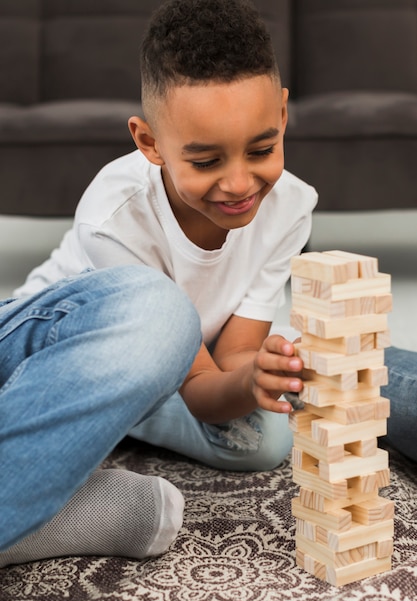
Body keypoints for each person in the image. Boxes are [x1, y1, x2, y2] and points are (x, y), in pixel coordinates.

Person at [1, 0, 319, 567]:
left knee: (267, 438)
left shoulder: (291, 207)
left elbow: (228, 360)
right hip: (54, 354)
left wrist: (254, 377)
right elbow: (193, 376)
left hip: (179, 366)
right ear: (149, 143)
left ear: (284, 114)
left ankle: (86, 451)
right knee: (166, 317)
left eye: (263, 149)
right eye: (205, 161)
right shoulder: (113, 215)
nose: (240, 182)